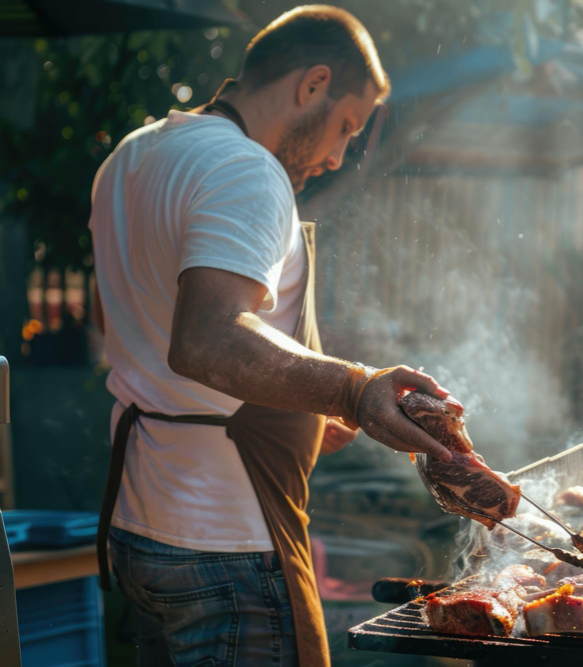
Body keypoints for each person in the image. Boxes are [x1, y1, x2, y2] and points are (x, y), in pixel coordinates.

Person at [88, 7, 459, 666]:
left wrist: (300, 404)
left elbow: (123, 329)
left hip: (140, 532)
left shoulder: (131, 155)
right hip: (225, 545)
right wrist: (352, 389)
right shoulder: (246, 170)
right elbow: (206, 339)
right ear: (312, 83)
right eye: (346, 126)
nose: (339, 155)